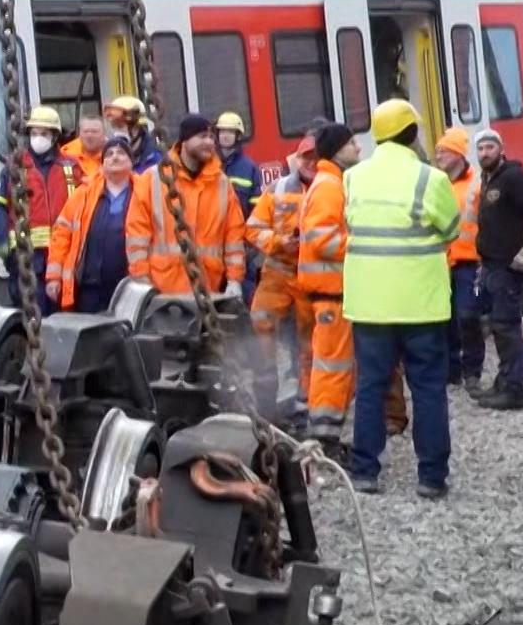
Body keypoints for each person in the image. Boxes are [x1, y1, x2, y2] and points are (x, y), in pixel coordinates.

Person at [343, 99, 462, 499]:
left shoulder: (353, 178)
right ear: (412, 133)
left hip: (369, 304)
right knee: (427, 388)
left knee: (371, 387)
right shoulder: (431, 180)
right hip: (421, 305)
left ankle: (364, 471)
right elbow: (450, 229)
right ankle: (431, 478)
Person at [468, 128, 523, 411]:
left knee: (507, 327)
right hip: (490, 265)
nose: (484, 153)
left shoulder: (513, 177)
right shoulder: (488, 178)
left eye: (489, 147)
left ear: (501, 150)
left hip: (508, 266)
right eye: (480, 149)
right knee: (499, 327)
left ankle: (514, 390)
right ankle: (503, 383)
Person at [125, 113, 246, 296]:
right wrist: (142, 281)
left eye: (212, 137)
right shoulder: (153, 179)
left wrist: (234, 280)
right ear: (184, 141)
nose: (209, 142)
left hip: (207, 292)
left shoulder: (222, 184)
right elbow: (136, 234)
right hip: (162, 292)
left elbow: (234, 236)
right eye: (202, 136)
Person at [299, 121, 362, 453]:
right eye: (353, 144)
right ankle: (324, 438)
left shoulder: (328, 182)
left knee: (333, 366)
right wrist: (361, 243)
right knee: (332, 367)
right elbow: (322, 238)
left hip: (332, 292)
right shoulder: (329, 186)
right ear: (338, 150)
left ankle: (325, 433)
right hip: (331, 293)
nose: (359, 149)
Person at [247, 133, 318, 422]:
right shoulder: (277, 189)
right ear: (297, 159)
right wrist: (278, 242)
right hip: (278, 271)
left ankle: (306, 402)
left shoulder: (334, 189)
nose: (311, 163)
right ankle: (266, 394)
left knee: (309, 342)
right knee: (260, 322)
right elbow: (252, 228)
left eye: (316, 157)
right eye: (306, 157)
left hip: (311, 276)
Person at [0, 106, 81, 313]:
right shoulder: (14, 168)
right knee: (33, 314)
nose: (38, 138)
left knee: (66, 314)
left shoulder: (71, 167)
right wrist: (3, 247)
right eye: (34, 133)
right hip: (28, 257)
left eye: (43, 133)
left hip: (64, 256)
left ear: (54, 136)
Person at [48, 135, 139, 313]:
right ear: (102, 164)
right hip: (90, 288)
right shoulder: (83, 194)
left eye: (121, 153)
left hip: (131, 287)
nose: (115, 157)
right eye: (109, 154)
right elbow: (61, 236)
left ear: (131, 162)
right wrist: (53, 277)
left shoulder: (144, 192)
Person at [433, 127, 483, 387]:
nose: (438, 154)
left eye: (444, 150)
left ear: (458, 154)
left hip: (470, 262)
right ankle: (451, 370)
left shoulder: (477, 184)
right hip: (441, 262)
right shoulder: (436, 182)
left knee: (467, 315)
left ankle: (472, 370)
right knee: (445, 318)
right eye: (438, 150)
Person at [214, 112, 260, 215]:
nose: (225, 136)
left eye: (230, 132)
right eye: (222, 132)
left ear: (238, 136)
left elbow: (256, 205)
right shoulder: (208, 163)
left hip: (240, 227)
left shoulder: (249, 167)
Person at [105, 95, 162, 172]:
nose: (116, 134)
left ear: (136, 129)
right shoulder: (108, 161)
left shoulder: (155, 160)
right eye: (115, 128)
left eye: (121, 128)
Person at [60, 115, 106, 181]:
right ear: (80, 134)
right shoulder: (65, 154)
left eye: (94, 131)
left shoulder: (114, 154)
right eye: (86, 131)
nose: (89, 135)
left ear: (104, 135)